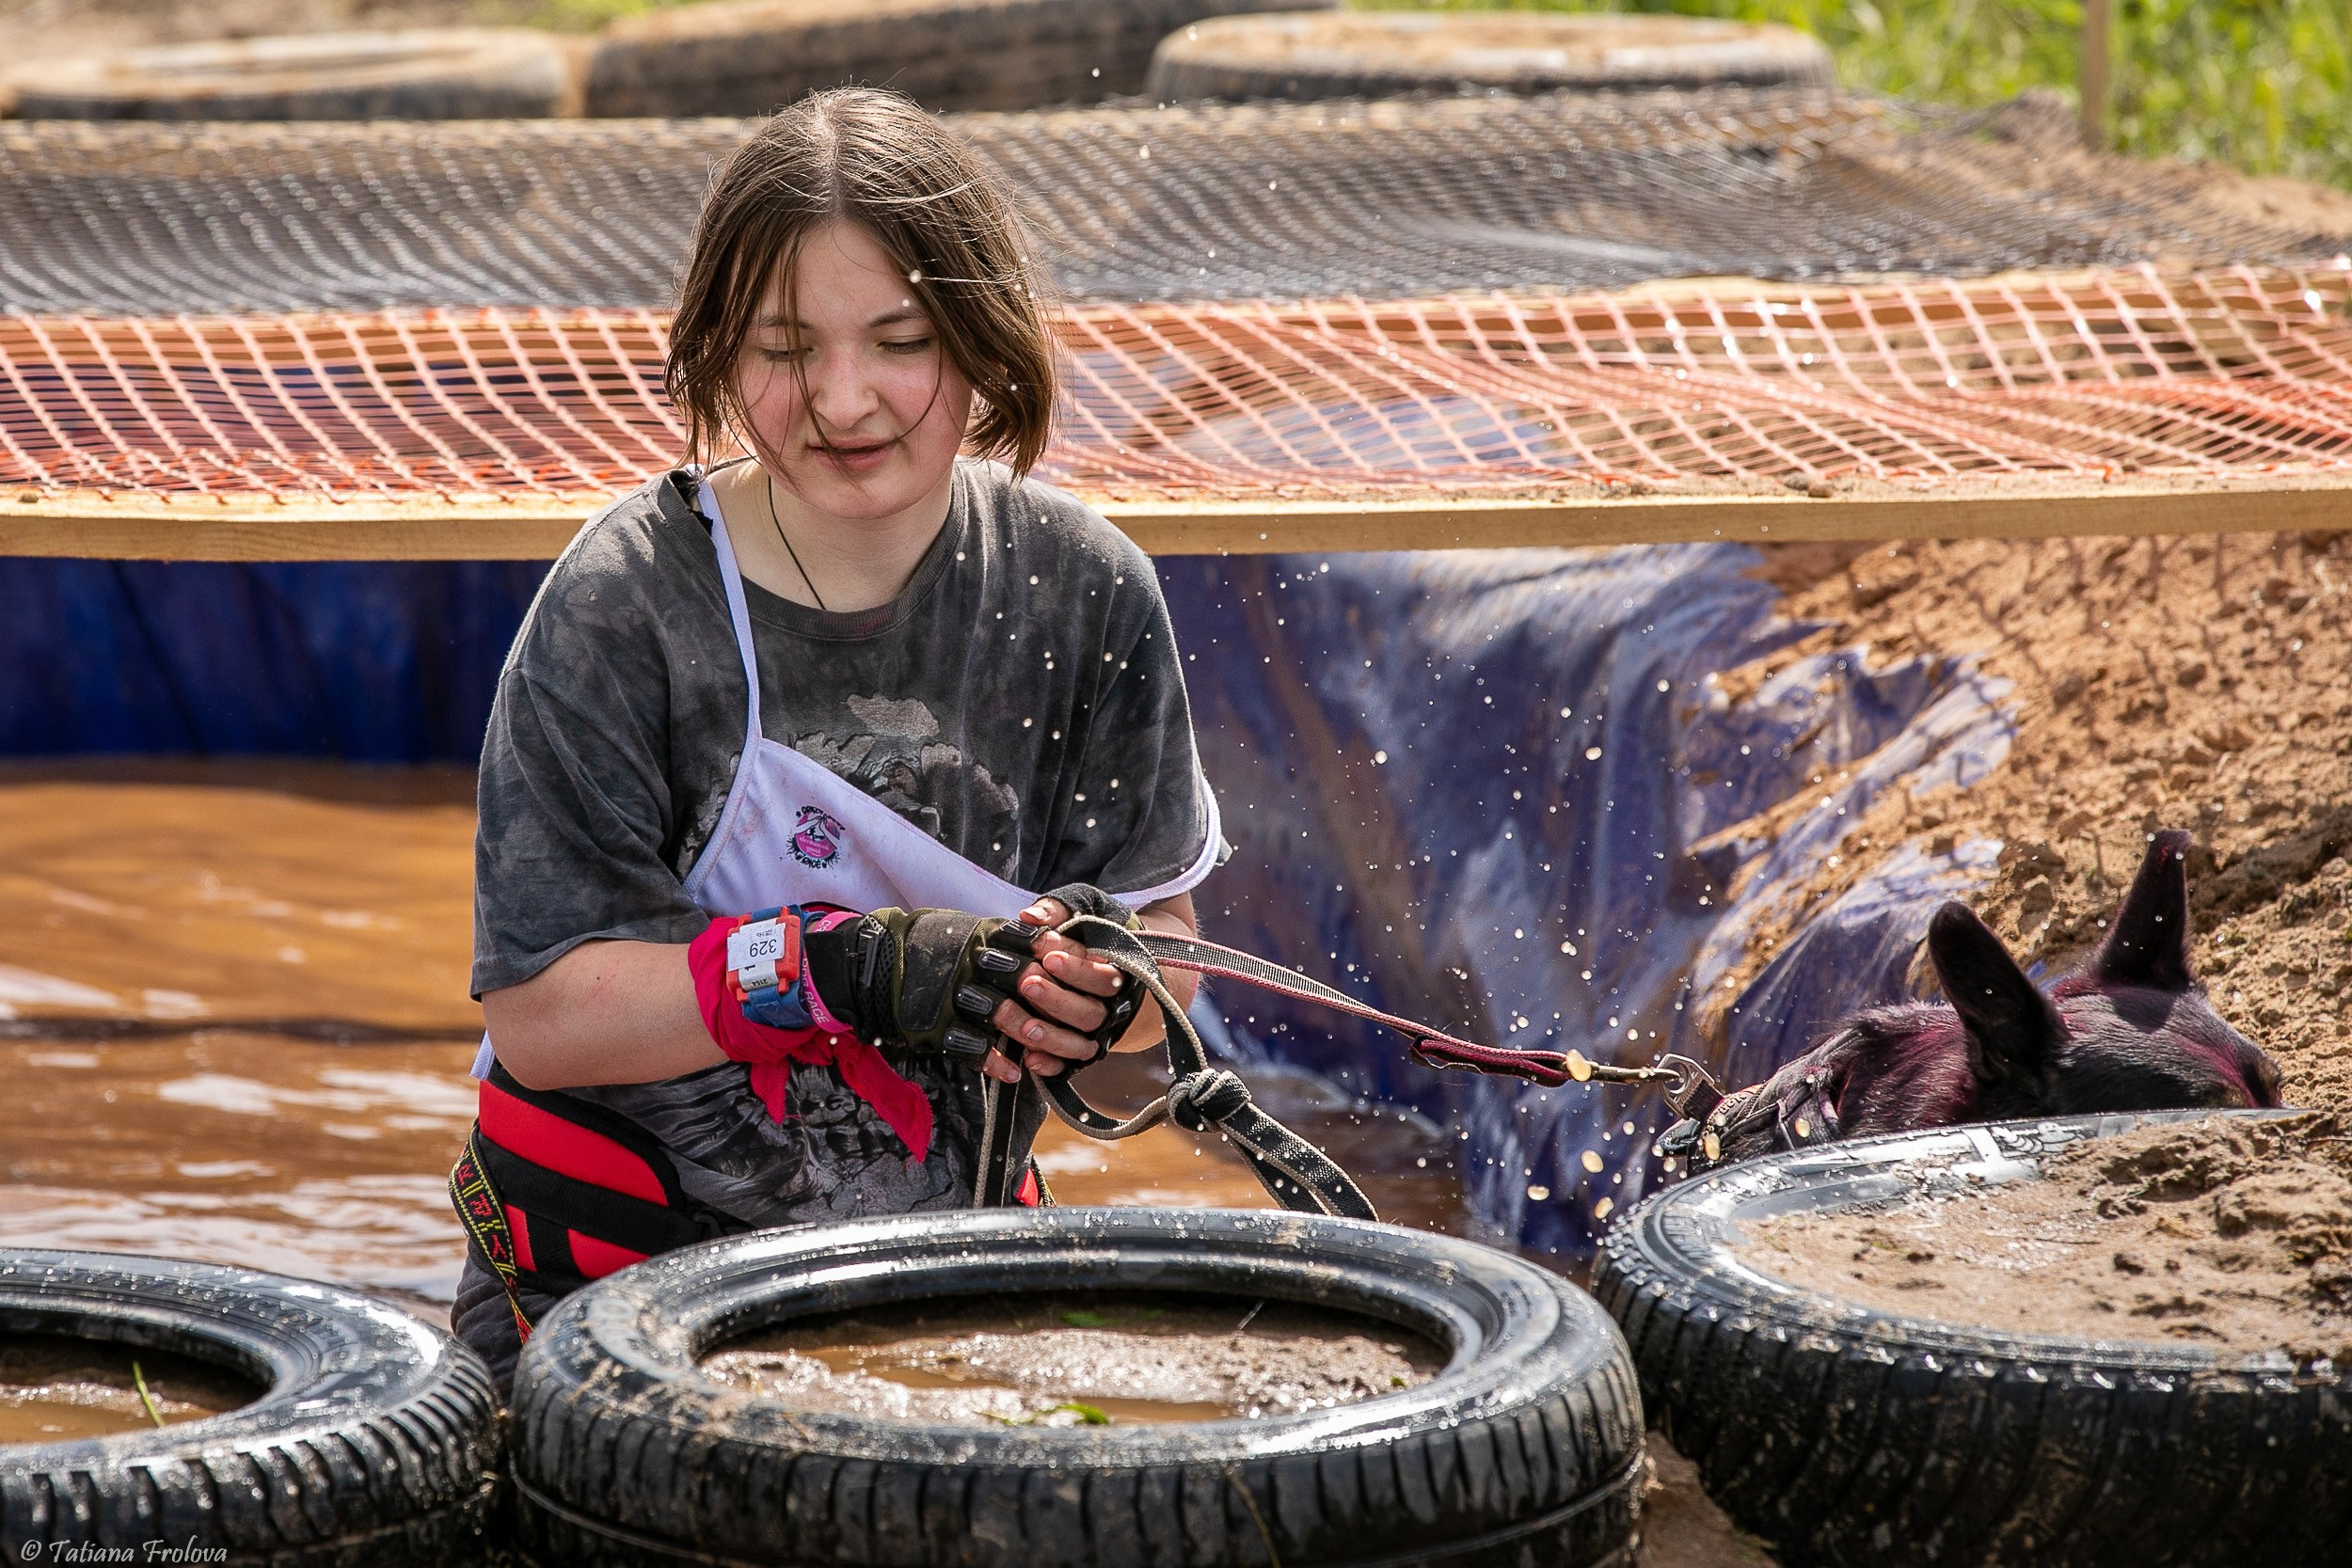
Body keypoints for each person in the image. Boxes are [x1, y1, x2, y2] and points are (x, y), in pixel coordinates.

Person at [446, 87, 1222, 1393]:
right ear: (717, 356)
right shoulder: (625, 603)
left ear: (985, 344)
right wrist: (849, 969)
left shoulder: (1087, 590)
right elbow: (544, 1016)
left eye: (902, 339)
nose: (844, 400)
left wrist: (1094, 992)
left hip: (944, 1293)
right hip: (604, 1301)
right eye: (783, 348)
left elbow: (1176, 974)